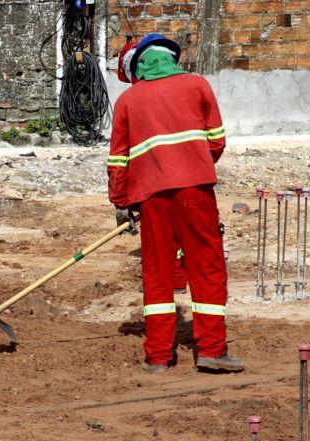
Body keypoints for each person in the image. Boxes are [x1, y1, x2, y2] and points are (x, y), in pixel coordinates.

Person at [107, 33, 243, 373]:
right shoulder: (197, 86)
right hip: (196, 192)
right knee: (207, 267)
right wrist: (191, 160)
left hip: (151, 198)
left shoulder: (127, 101)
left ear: (139, 65)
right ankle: (211, 350)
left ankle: (157, 356)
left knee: (157, 272)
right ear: (172, 59)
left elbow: (118, 160)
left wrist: (121, 201)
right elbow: (216, 142)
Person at [117, 40, 188, 294]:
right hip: (185, 175)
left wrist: (122, 200)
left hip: (159, 180)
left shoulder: (137, 97)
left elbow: (121, 157)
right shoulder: (180, 88)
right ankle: (176, 277)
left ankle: (173, 280)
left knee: (165, 233)